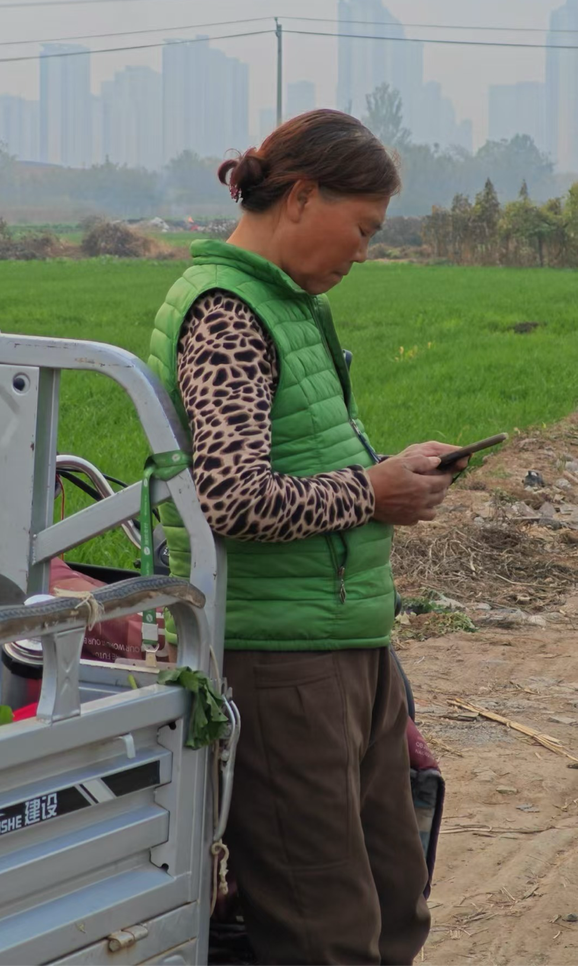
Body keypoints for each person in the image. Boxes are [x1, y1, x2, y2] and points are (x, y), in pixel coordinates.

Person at [149, 110, 464, 966]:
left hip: (343, 639)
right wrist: (372, 489)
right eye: (362, 228)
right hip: (279, 658)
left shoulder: (287, 303)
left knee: (395, 898)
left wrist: (387, 477)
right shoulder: (227, 312)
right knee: (322, 928)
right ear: (300, 195)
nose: (364, 251)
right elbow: (232, 496)